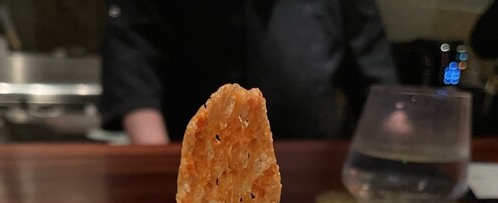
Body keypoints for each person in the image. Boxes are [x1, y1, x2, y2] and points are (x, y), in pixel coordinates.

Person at [100, 0, 398, 144]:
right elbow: (135, 74)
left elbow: (378, 88)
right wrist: (166, 175)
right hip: (189, 160)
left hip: (312, 164)